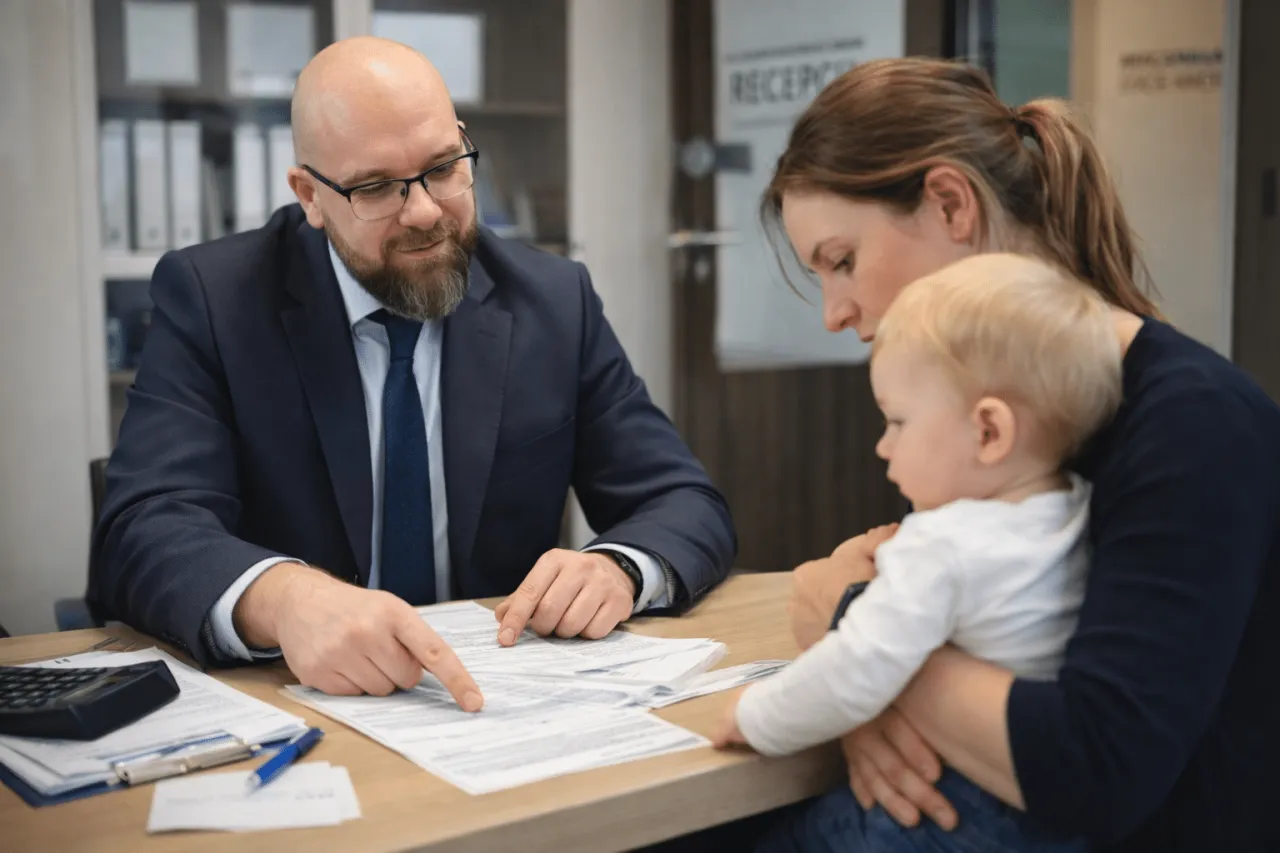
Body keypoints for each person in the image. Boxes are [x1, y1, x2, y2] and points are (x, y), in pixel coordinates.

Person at [89, 37, 735, 710]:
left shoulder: (551, 301)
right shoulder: (215, 299)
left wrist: (619, 568)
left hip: (494, 702)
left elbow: (683, 501)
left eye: (442, 167)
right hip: (297, 705)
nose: (425, 210)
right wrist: (282, 598)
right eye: (375, 187)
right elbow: (143, 528)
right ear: (310, 195)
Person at [761, 57, 1280, 853]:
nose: (835, 313)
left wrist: (854, 635)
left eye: (842, 261)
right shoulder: (978, 407)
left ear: (949, 202)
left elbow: (1095, 768)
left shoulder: (1196, 425)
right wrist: (869, 687)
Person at [712, 253, 1123, 852]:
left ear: (989, 432)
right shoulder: (1082, 510)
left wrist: (753, 717)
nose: (884, 446)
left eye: (898, 421)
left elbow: (856, 669)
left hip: (953, 810)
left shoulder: (943, 543)